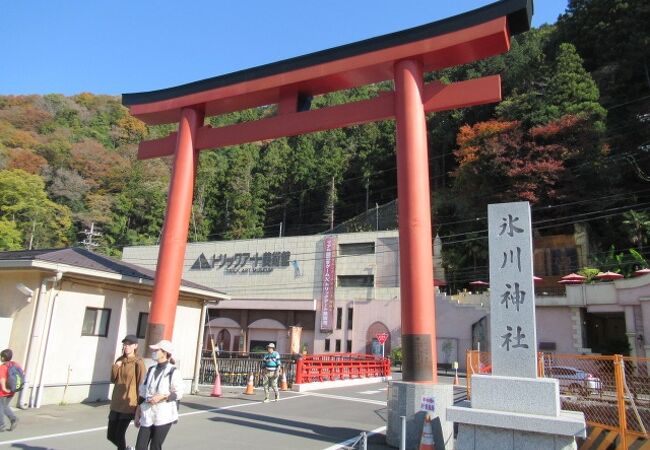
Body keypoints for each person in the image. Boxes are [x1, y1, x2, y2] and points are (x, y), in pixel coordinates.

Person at [134, 340, 183, 450]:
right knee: (140, 447)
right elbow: (142, 392)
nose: (154, 352)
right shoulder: (151, 369)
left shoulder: (173, 371)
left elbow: (179, 393)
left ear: (165, 352)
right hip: (147, 413)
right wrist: (137, 413)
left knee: (155, 446)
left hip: (164, 415)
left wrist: (163, 397)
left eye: (156, 350)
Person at [108, 335, 146, 450]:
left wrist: (140, 405)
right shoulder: (120, 360)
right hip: (116, 402)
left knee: (119, 434)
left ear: (135, 346)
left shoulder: (138, 362)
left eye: (129, 344)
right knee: (111, 435)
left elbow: (142, 383)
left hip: (128, 403)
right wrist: (116, 366)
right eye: (124, 344)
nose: (126, 347)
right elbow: (113, 379)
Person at [0, 349, 19, 432]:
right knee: (4, 406)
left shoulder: (3, 367)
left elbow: (2, 379)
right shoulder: (15, 364)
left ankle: (1, 425)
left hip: (3, 391)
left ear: (3, 358)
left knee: (1, 407)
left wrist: (4, 388)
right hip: (12, 390)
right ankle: (13, 419)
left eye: (1, 356)